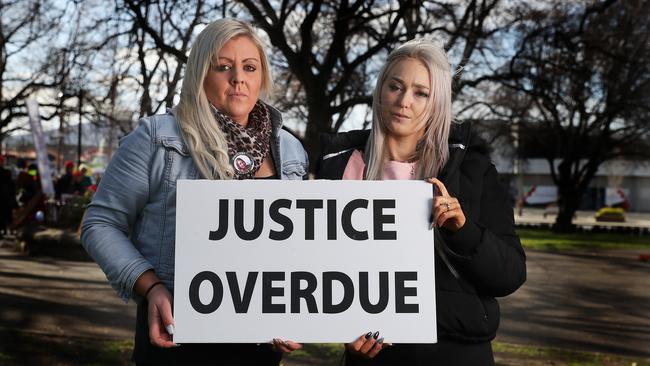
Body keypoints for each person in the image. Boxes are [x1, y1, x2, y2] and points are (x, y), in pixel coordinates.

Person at [81, 19, 308, 365]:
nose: (238, 78)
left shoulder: (290, 149)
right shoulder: (157, 139)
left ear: (262, 76)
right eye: (223, 67)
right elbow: (99, 224)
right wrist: (151, 286)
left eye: (250, 67)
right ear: (201, 72)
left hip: (260, 348)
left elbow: (299, 247)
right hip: (177, 340)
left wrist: (297, 309)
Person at [316, 39, 526, 365]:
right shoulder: (337, 167)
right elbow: (318, 271)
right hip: (373, 356)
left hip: (455, 353)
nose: (404, 102)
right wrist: (345, 329)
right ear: (380, 91)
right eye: (395, 87)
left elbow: (510, 276)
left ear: (437, 102)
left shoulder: (472, 169)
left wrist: (464, 230)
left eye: (420, 93)